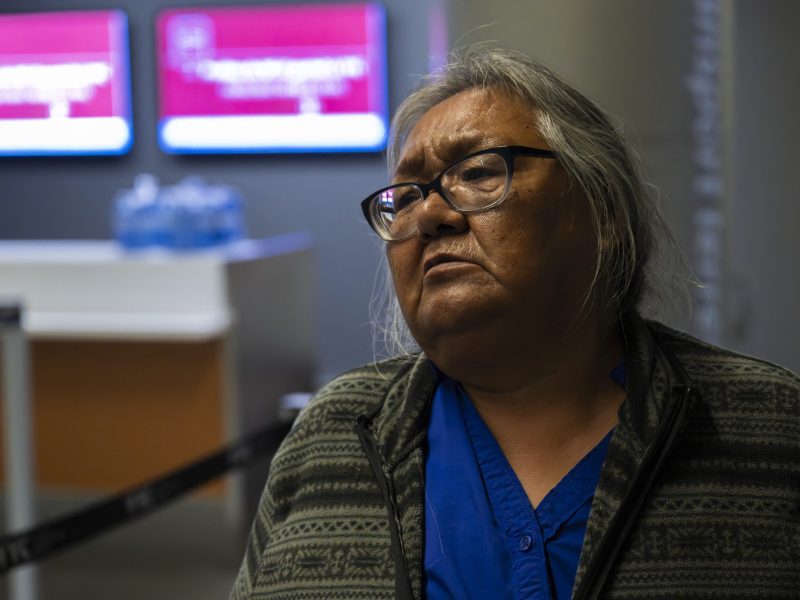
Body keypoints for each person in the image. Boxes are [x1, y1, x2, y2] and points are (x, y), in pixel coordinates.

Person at [229, 46, 799, 600]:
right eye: (404, 199)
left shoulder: (769, 426)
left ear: (605, 213)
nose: (428, 215)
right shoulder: (333, 434)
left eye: (478, 172)